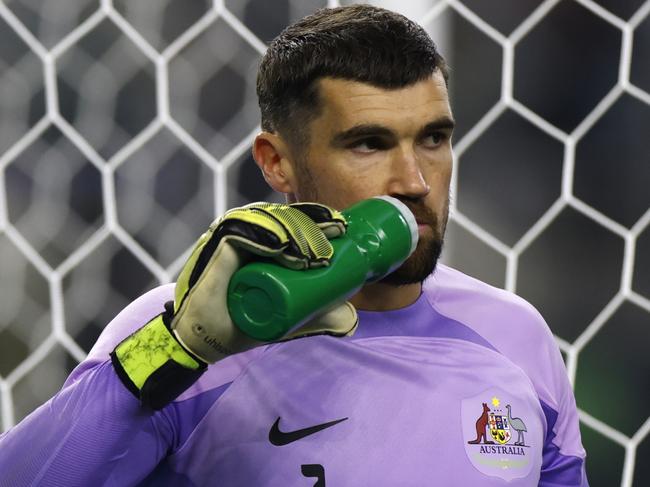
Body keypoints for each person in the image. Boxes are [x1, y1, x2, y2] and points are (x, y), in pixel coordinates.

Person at [0, 5, 588, 486]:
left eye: (433, 138)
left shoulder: (516, 338)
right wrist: (178, 347)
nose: (414, 180)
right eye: (369, 144)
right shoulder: (185, 333)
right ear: (277, 163)